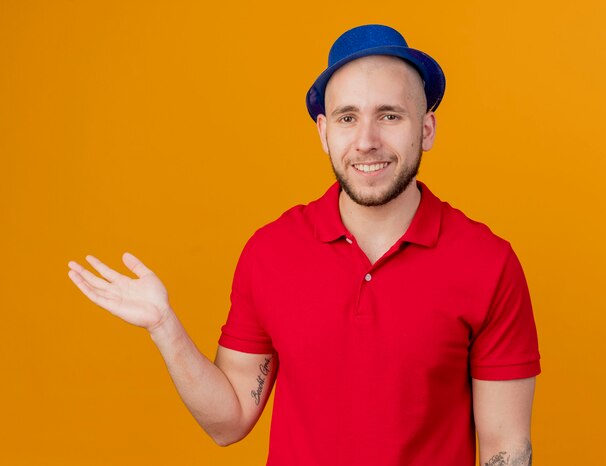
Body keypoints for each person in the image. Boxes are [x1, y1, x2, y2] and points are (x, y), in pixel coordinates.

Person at [68, 24, 540, 466]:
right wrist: (164, 328)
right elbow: (229, 421)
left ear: (426, 129)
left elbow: (505, 445)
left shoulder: (488, 263)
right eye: (347, 117)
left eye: (390, 116)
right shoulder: (270, 253)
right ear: (323, 132)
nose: (367, 140)